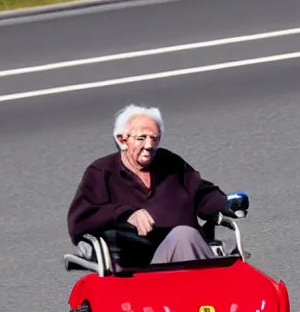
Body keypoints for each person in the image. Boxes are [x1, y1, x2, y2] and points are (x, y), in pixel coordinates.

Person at [67, 104, 236, 268]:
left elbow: (202, 195)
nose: (149, 145)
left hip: (184, 255)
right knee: (184, 235)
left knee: (190, 238)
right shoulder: (101, 172)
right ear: (122, 139)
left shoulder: (171, 163)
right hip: (137, 271)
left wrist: (227, 203)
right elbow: (81, 220)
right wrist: (124, 214)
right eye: (141, 138)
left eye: (154, 138)